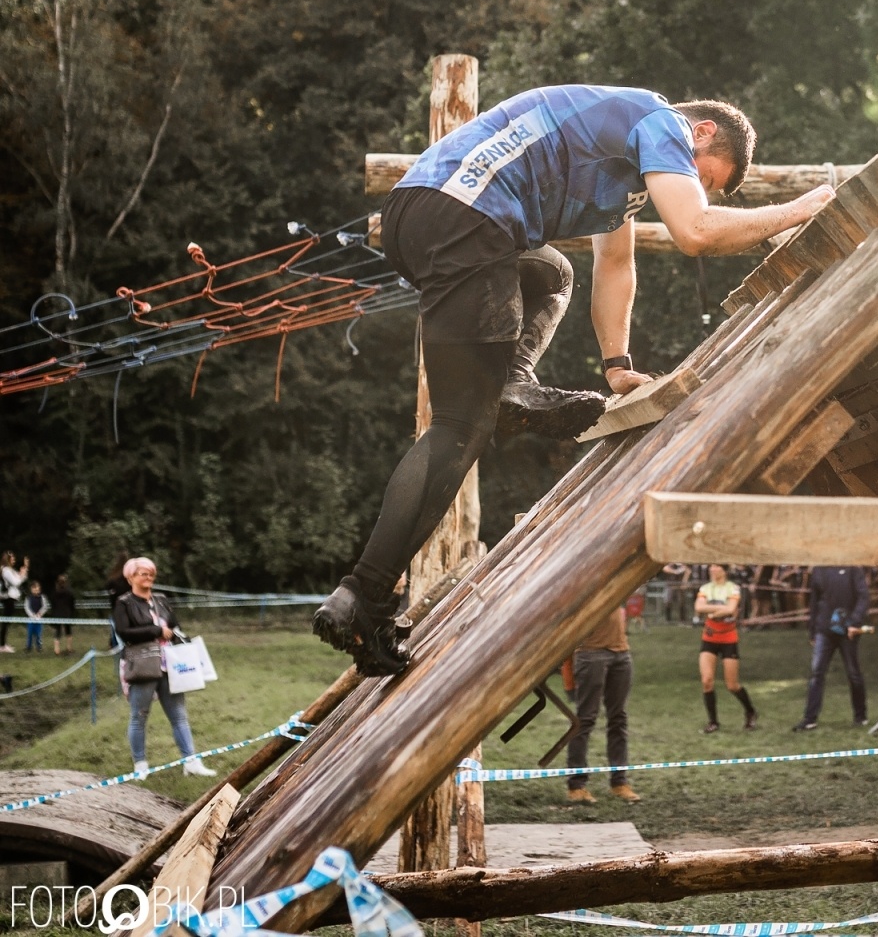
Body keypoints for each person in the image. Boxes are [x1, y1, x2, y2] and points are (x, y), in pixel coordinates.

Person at [314, 86, 834, 677]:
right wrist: (804, 207)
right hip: (467, 213)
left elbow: (615, 264)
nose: (698, 188)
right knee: (461, 428)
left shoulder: (626, 164)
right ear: (704, 133)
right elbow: (695, 231)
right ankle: (364, 595)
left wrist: (616, 365)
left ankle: (509, 386)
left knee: (551, 274)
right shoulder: (661, 120)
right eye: (706, 178)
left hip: (425, 217)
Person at [113, 558, 216, 777]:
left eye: (151, 573)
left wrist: (179, 637)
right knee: (139, 716)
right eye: (143, 573)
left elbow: (175, 625)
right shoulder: (124, 603)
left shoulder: (161, 599)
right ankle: (140, 765)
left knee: (179, 715)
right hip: (142, 666)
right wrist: (156, 631)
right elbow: (123, 632)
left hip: (171, 665)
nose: (148, 577)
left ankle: (191, 762)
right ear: (131, 577)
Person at [565, 605, 640, 805]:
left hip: (621, 652)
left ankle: (619, 782)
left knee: (619, 718)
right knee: (585, 719)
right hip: (591, 652)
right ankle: (576, 785)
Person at [794, 566, 871, 731]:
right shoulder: (819, 570)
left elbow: (863, 596)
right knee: (817, 673)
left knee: (853, 674)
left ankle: (861, 716)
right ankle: (810, 718)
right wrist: (812, 630)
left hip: (848, 631)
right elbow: (814, 601)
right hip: (824, 630)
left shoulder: (853, 569)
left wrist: (855, 621)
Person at [696, 564, 757, 732]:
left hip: (728, 639)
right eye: (711, 566)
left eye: (716, 566)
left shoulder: (732, 588)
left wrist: (714, 612)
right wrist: (721, 609)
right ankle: (713, 722)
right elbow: (699, 607)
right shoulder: (705, 588)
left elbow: (731, 609)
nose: (712, 569)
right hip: (709, 638)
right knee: (707, 680)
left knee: (732, 685)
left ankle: (750, 711)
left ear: (724, 570)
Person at [0, 552, 26, 653]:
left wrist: (23, 573)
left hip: (10, 597)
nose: (14, 560)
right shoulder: (6, 570)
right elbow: (16, 582)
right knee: (5, 622)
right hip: (8, 598)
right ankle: (2, 645)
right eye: (13, 559)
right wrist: (22, 575)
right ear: (8, 560)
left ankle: (3, 644)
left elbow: (19, 579)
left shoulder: (9, 570)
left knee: (6, 622)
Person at [50, 574, 75, 656]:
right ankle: (69, 648)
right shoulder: (69, 592)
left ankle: (56, 650)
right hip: (67, 613)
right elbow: (72, 603)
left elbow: (52, 603)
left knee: (57, 631)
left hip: (57, 613)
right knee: (68, 630)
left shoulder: (54, 592)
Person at [22, 580, 48, 653]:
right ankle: (28, 647)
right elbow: (26, 607)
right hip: (30, 619)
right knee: (29, 634)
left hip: (39, 619)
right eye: (34, 589)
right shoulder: (28, 598)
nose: (36, 590)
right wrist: (32, 615)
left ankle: (39, 647)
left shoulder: (42, 597)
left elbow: (45, 607)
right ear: (31, 589)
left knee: (38, 634)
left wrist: (40, 613)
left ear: (39, 589)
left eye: (37, 589)